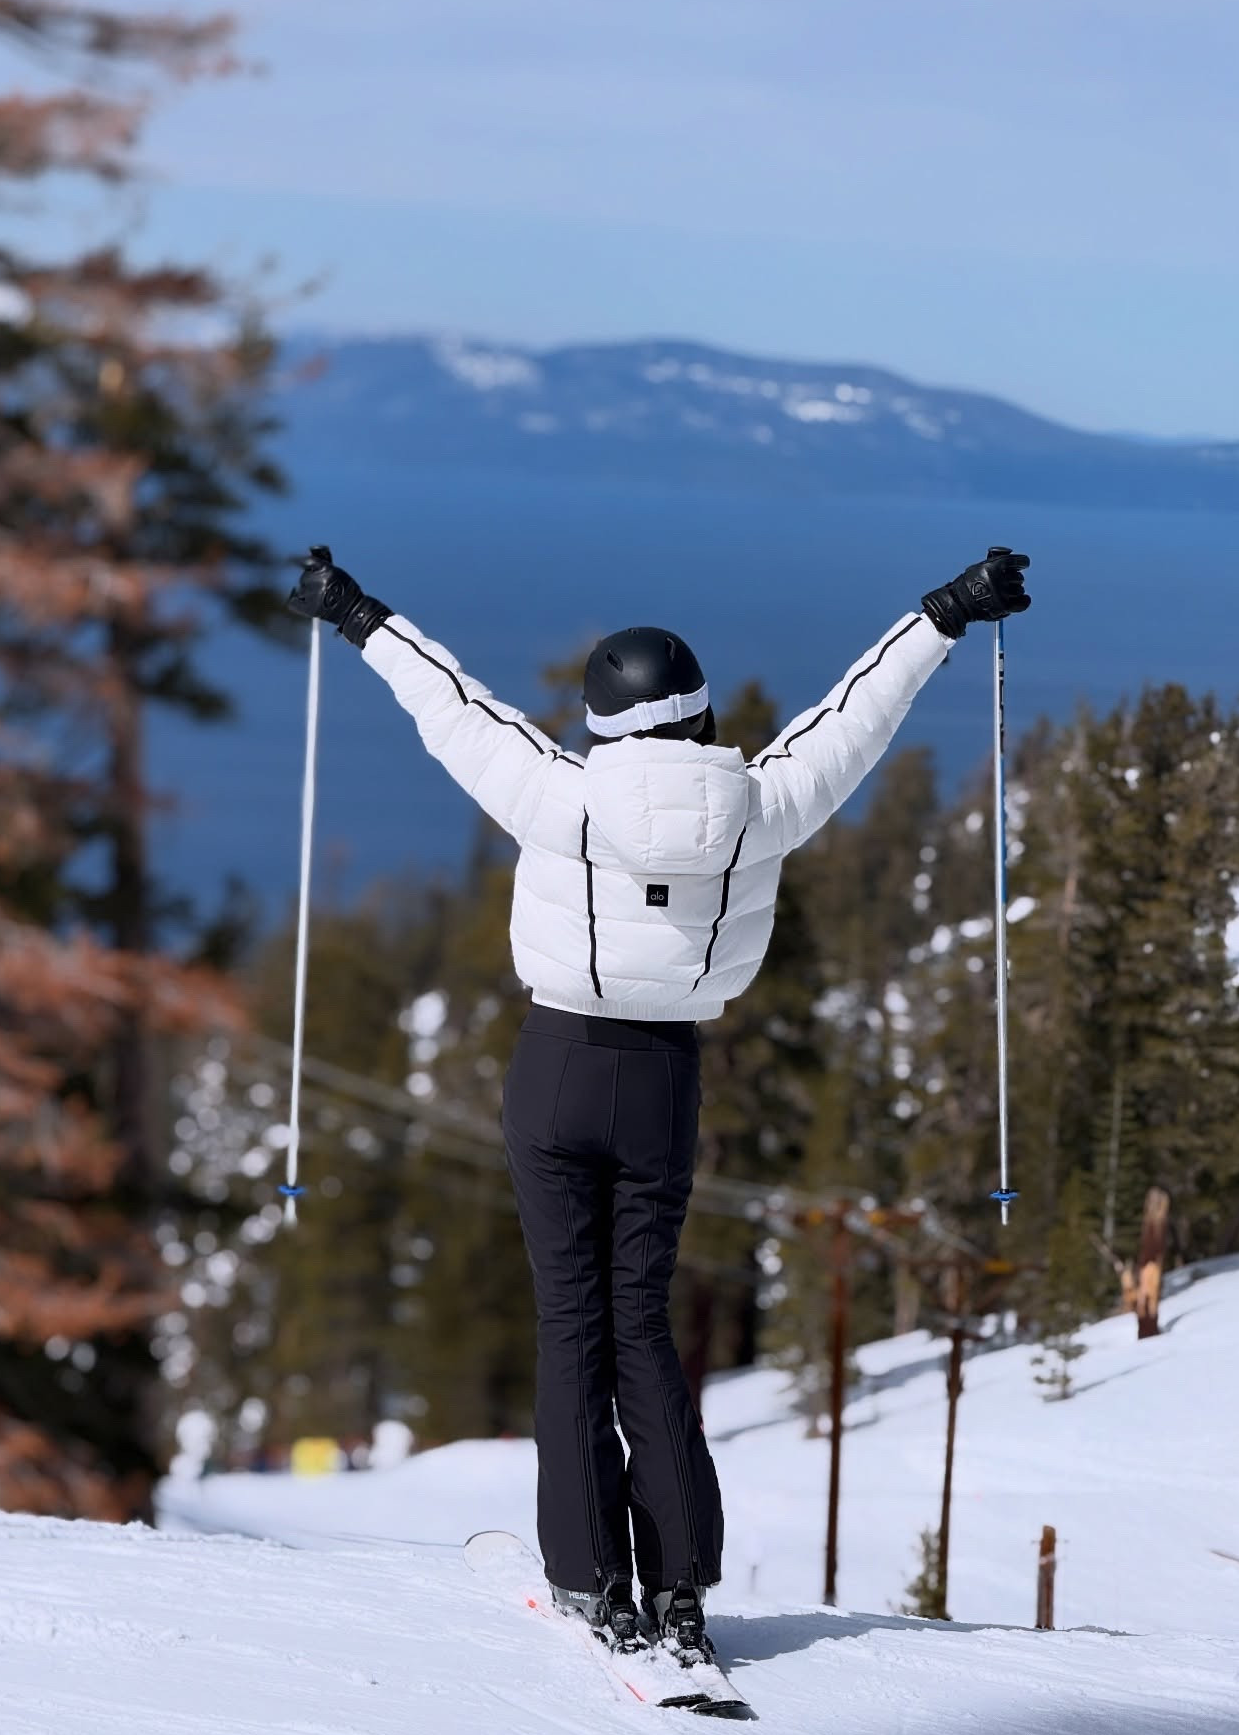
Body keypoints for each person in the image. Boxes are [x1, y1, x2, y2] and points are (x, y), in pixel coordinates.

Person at [286, 543, 1031, 1661]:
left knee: (570, 1325)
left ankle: (592, 1577)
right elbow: (854, 717)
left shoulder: (560, 794)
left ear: (601, 721)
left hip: (557, 1070)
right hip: (666, 1081)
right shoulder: (762, 804)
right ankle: (679, 1580)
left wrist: (353, 613)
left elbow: (455, 709)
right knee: (642, 1322)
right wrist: (949, 611)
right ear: (695, 715)